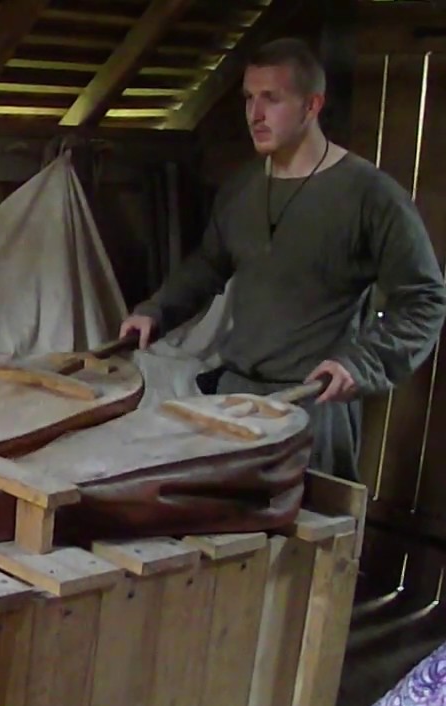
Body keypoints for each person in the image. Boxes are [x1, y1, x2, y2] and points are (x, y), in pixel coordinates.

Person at [119, 37, 446, 482]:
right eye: (249, 98)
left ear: (312, 106)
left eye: (271, 99)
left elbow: (424, 300)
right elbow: (210, 264)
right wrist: (158, 310)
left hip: (312, 409)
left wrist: (362, 362)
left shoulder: (371, 197)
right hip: (235, 402)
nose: (255, 114)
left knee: (305, 547)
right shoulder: (243, 188)